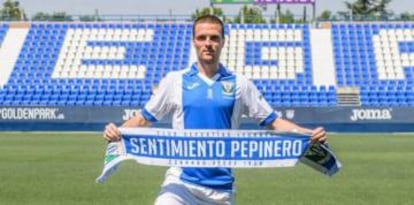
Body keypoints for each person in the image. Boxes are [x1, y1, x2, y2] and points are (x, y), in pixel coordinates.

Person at [103, 14, 327, 205]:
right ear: (194, 42)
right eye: (202, 38)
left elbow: (274, 121)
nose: (207, 43)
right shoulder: (175, 80)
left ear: (223, 42)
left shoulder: (240, 84)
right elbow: (143, 119)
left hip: (221, 190)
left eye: (214, 38)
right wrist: (118, 131)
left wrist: (307, 134)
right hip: (180, 185)